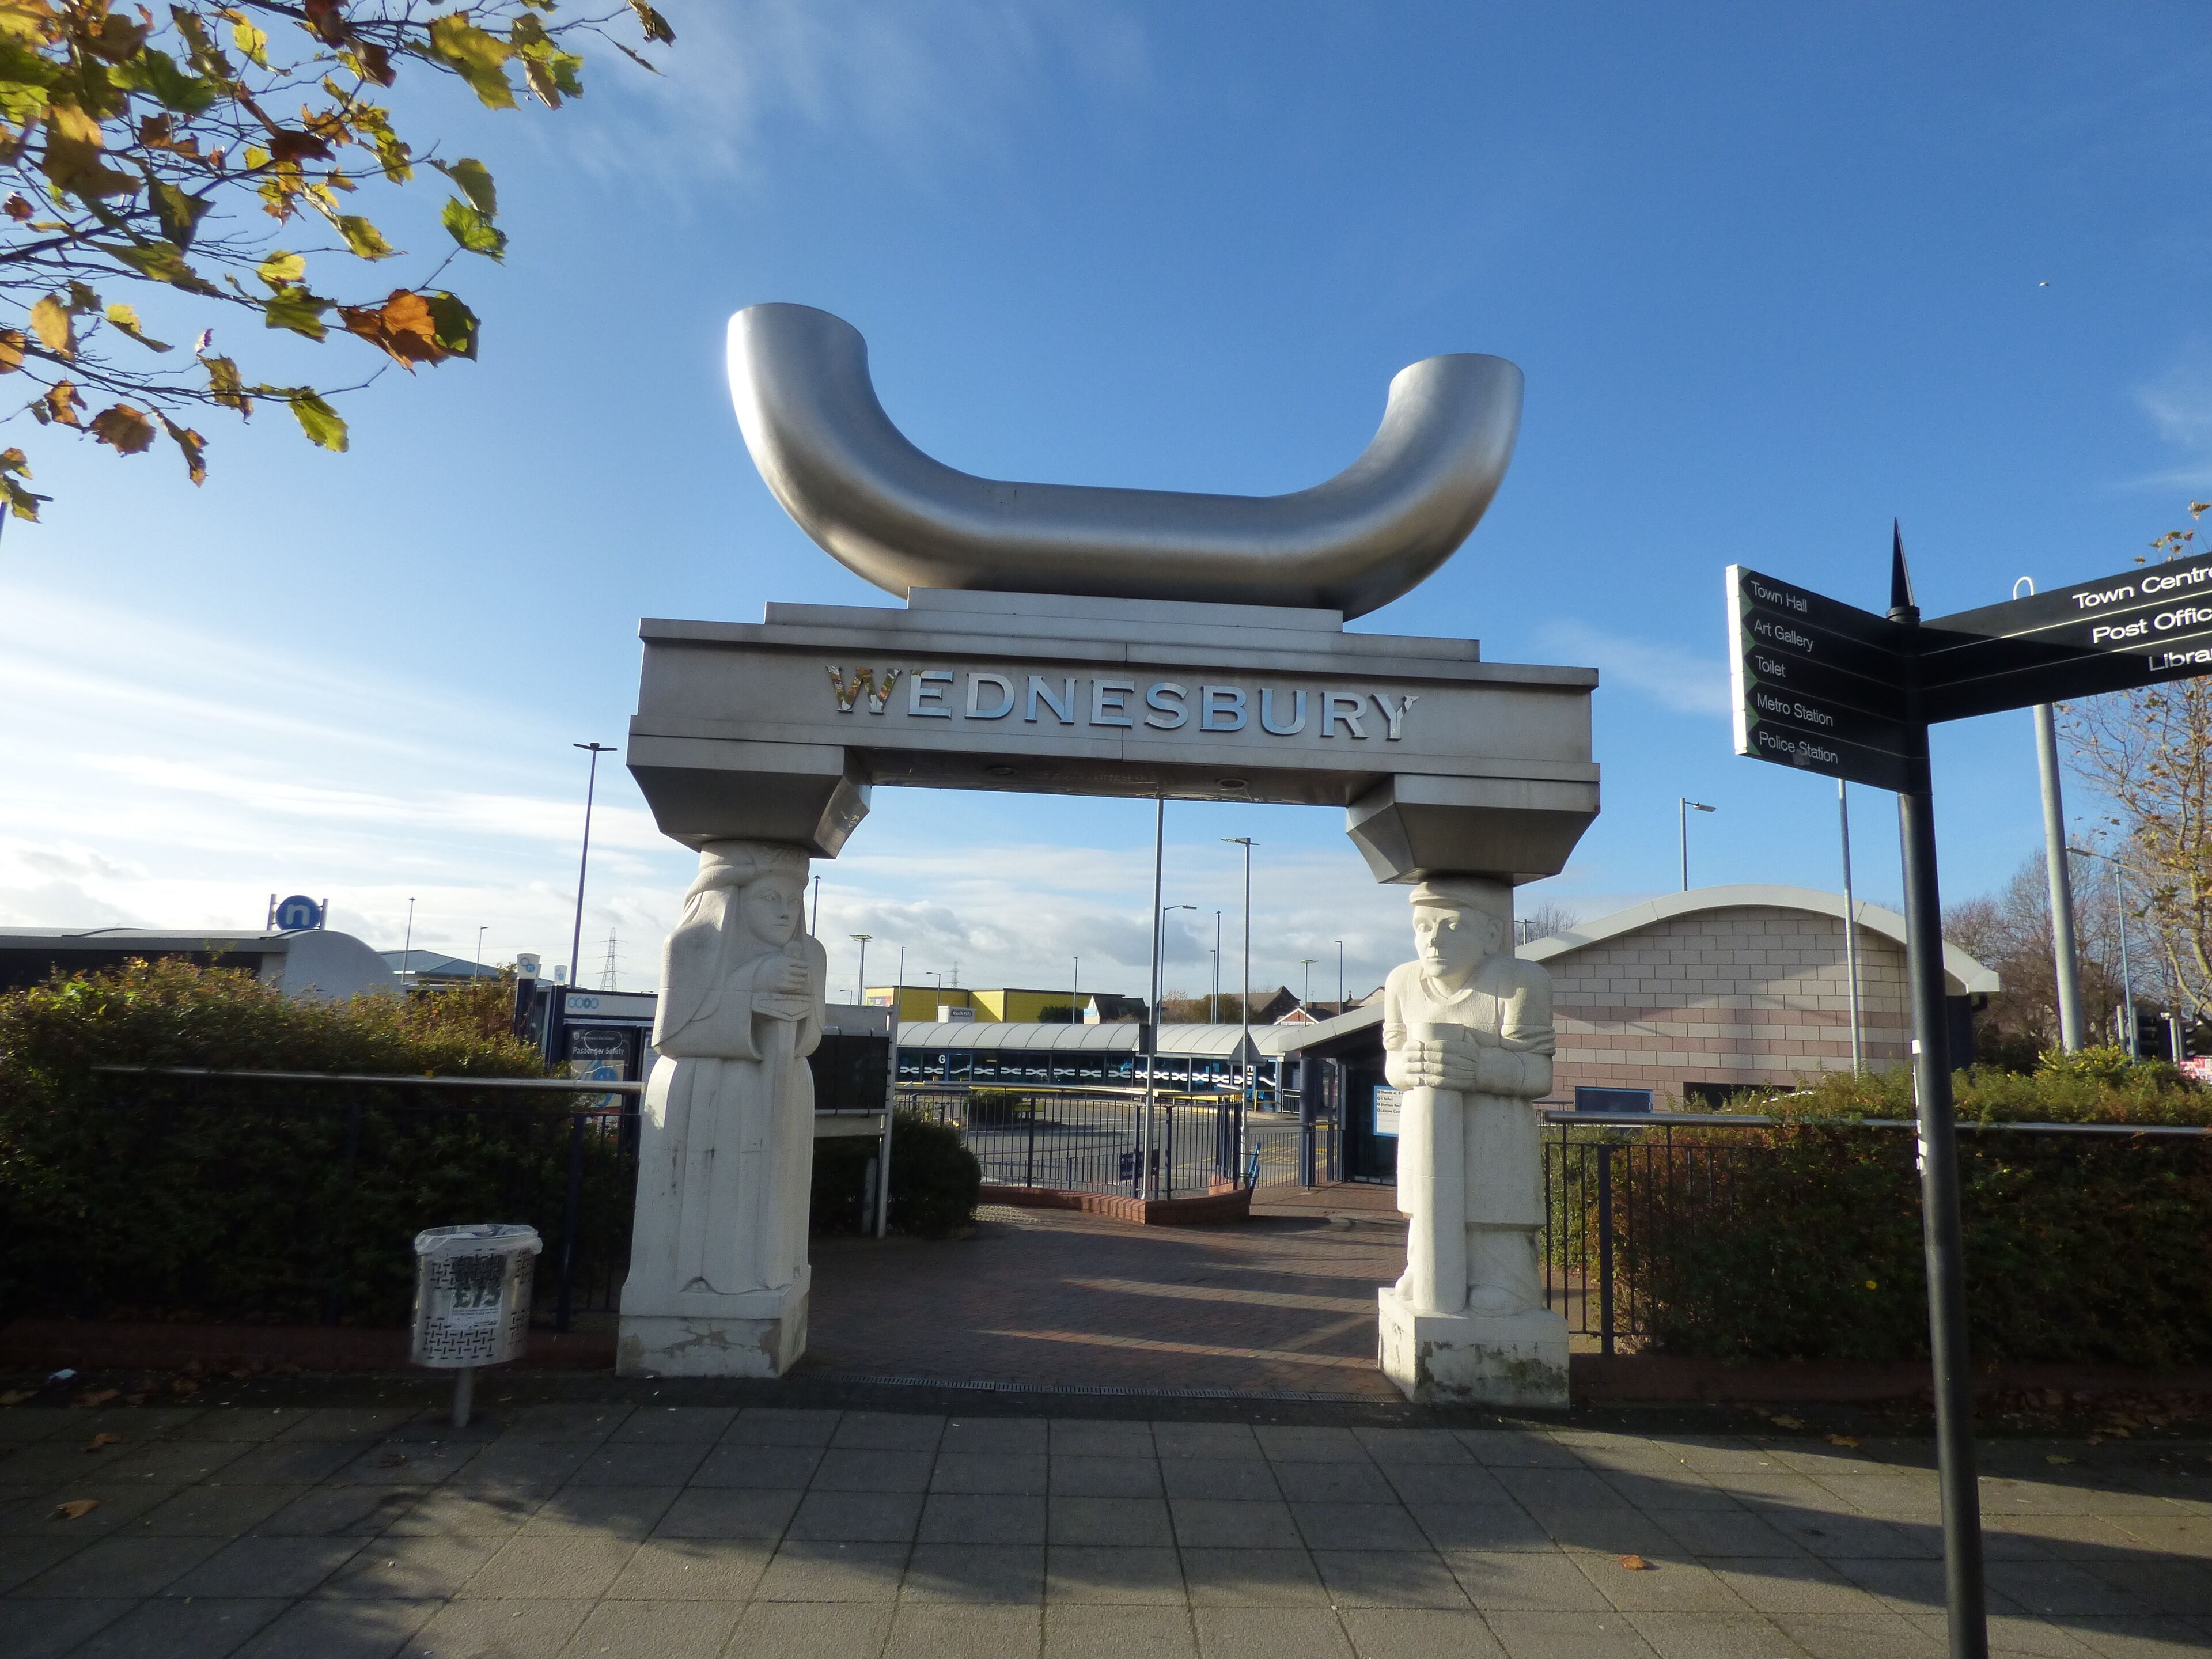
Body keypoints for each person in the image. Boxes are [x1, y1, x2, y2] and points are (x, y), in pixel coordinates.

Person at [624, 840, 827, 1306]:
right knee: (703, 1216)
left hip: (781, 1094)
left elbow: (810, 1039)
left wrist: (794, 1015)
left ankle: (774, 1275)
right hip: (707, 1094)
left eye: (793, 901)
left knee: (772, 1211)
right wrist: (752, 984)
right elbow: (673, 1038)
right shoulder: (692, 945)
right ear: (733, 898)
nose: (785, 912)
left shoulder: (811, 956)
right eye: (769, 898)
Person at [1381, 875, 1554, 1317]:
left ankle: (1506, 1280)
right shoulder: (1401, 982)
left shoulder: (1519, 981)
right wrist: (1408, 1067)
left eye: (1452, 926)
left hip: (1493, 1130)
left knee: (1491, 1198)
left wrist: (1480, 1068)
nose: (1434, 940)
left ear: (1491, 935)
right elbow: (1392, 1063)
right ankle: (1425, 1264)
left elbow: (1538, 1072)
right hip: (1427, 1127)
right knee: (1427, 1200)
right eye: (1423, 926)